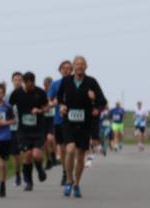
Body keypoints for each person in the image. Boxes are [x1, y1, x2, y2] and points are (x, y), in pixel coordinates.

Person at [58, 56, 107, 199]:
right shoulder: (66, 81)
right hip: (69, 121)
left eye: (82, 64)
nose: (79, 66)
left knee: (80, 156)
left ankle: (77, 184)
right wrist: (62, 105)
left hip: (85, 124)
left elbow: (103, 102)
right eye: (77, 64)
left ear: (86, 66)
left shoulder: (91, 82)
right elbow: (59, 97)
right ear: (73, 66)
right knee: (70, 149)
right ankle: (69, 180)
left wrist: (94, 99)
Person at [9, 71, 50, 190]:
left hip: (38, 129)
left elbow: (47, 107)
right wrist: (10, 117)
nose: (30, 87)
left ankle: (40, 168)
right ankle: (29, 182)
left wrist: (40, 110)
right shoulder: (17, 93)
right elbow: (10, 105)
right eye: (28, 84)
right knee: (27, 156)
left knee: (36, 154)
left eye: (32, 84)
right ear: (24, 82)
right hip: (23, 130)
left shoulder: (40, 92)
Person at [47, 60, 73, 190]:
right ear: (60, 70)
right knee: (62, 149)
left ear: (72, 70)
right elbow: (48, 99)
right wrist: (53, 103)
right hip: (59, 120)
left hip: (73, 121)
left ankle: (70, 171)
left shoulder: (76, 83)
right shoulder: (55, 84)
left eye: (68, 68)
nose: (66, 70)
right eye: (64, 68)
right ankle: (65, 172)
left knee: (72, 148)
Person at [7, 72, 24, 185]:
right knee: (15, 154)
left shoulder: (26, 94)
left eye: (19, 80)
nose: (17, 82)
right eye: (15, 80)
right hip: (12, 128)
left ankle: (26, 172)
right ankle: (17, 174)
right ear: (12, 81)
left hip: (24, 128)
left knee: (25, 152)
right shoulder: (7, 96)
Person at [41, 76, 58, 168]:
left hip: (52, 119)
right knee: (44, 142)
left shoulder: (55, 94)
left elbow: (55, 102)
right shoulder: (41, 93)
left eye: (50, 86)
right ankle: (48, 159)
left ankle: (54, 155)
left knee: (50, 138)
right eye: (46, 85)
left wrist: (49, 106)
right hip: (43, 120)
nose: (48, 87)